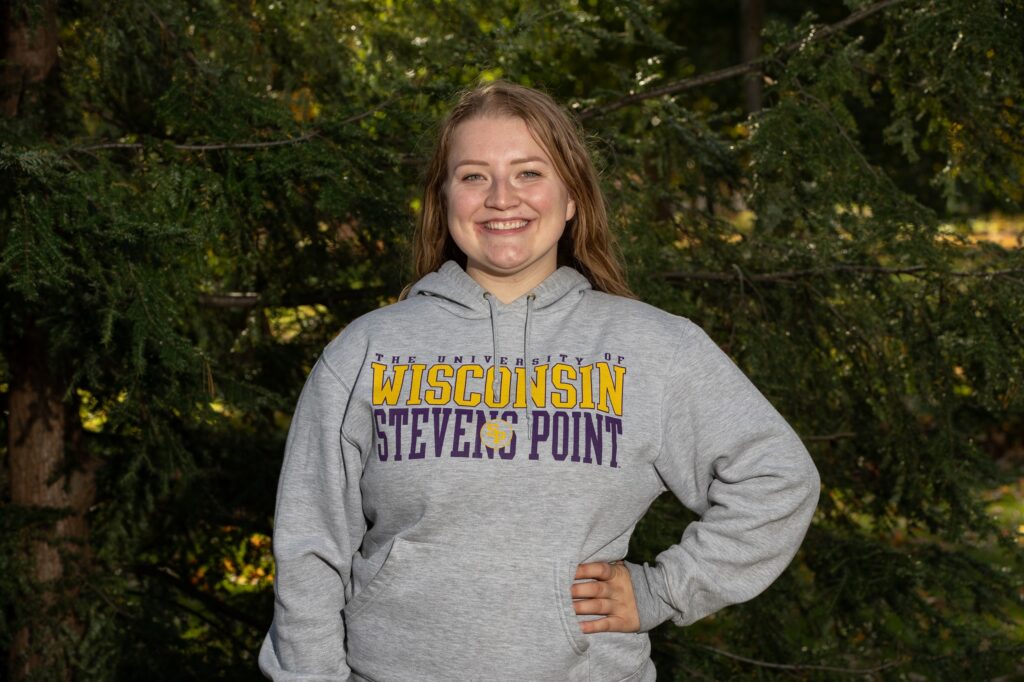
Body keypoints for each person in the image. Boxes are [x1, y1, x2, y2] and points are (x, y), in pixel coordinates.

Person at [258, 80, 820, 682]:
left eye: (529, 173)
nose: (502, 198)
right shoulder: (370, 351)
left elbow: (778, 478)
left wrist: (661, 590)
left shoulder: (652, 350)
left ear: (572, 197)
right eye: (473, 176)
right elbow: (310, 543)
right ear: (444, 198)